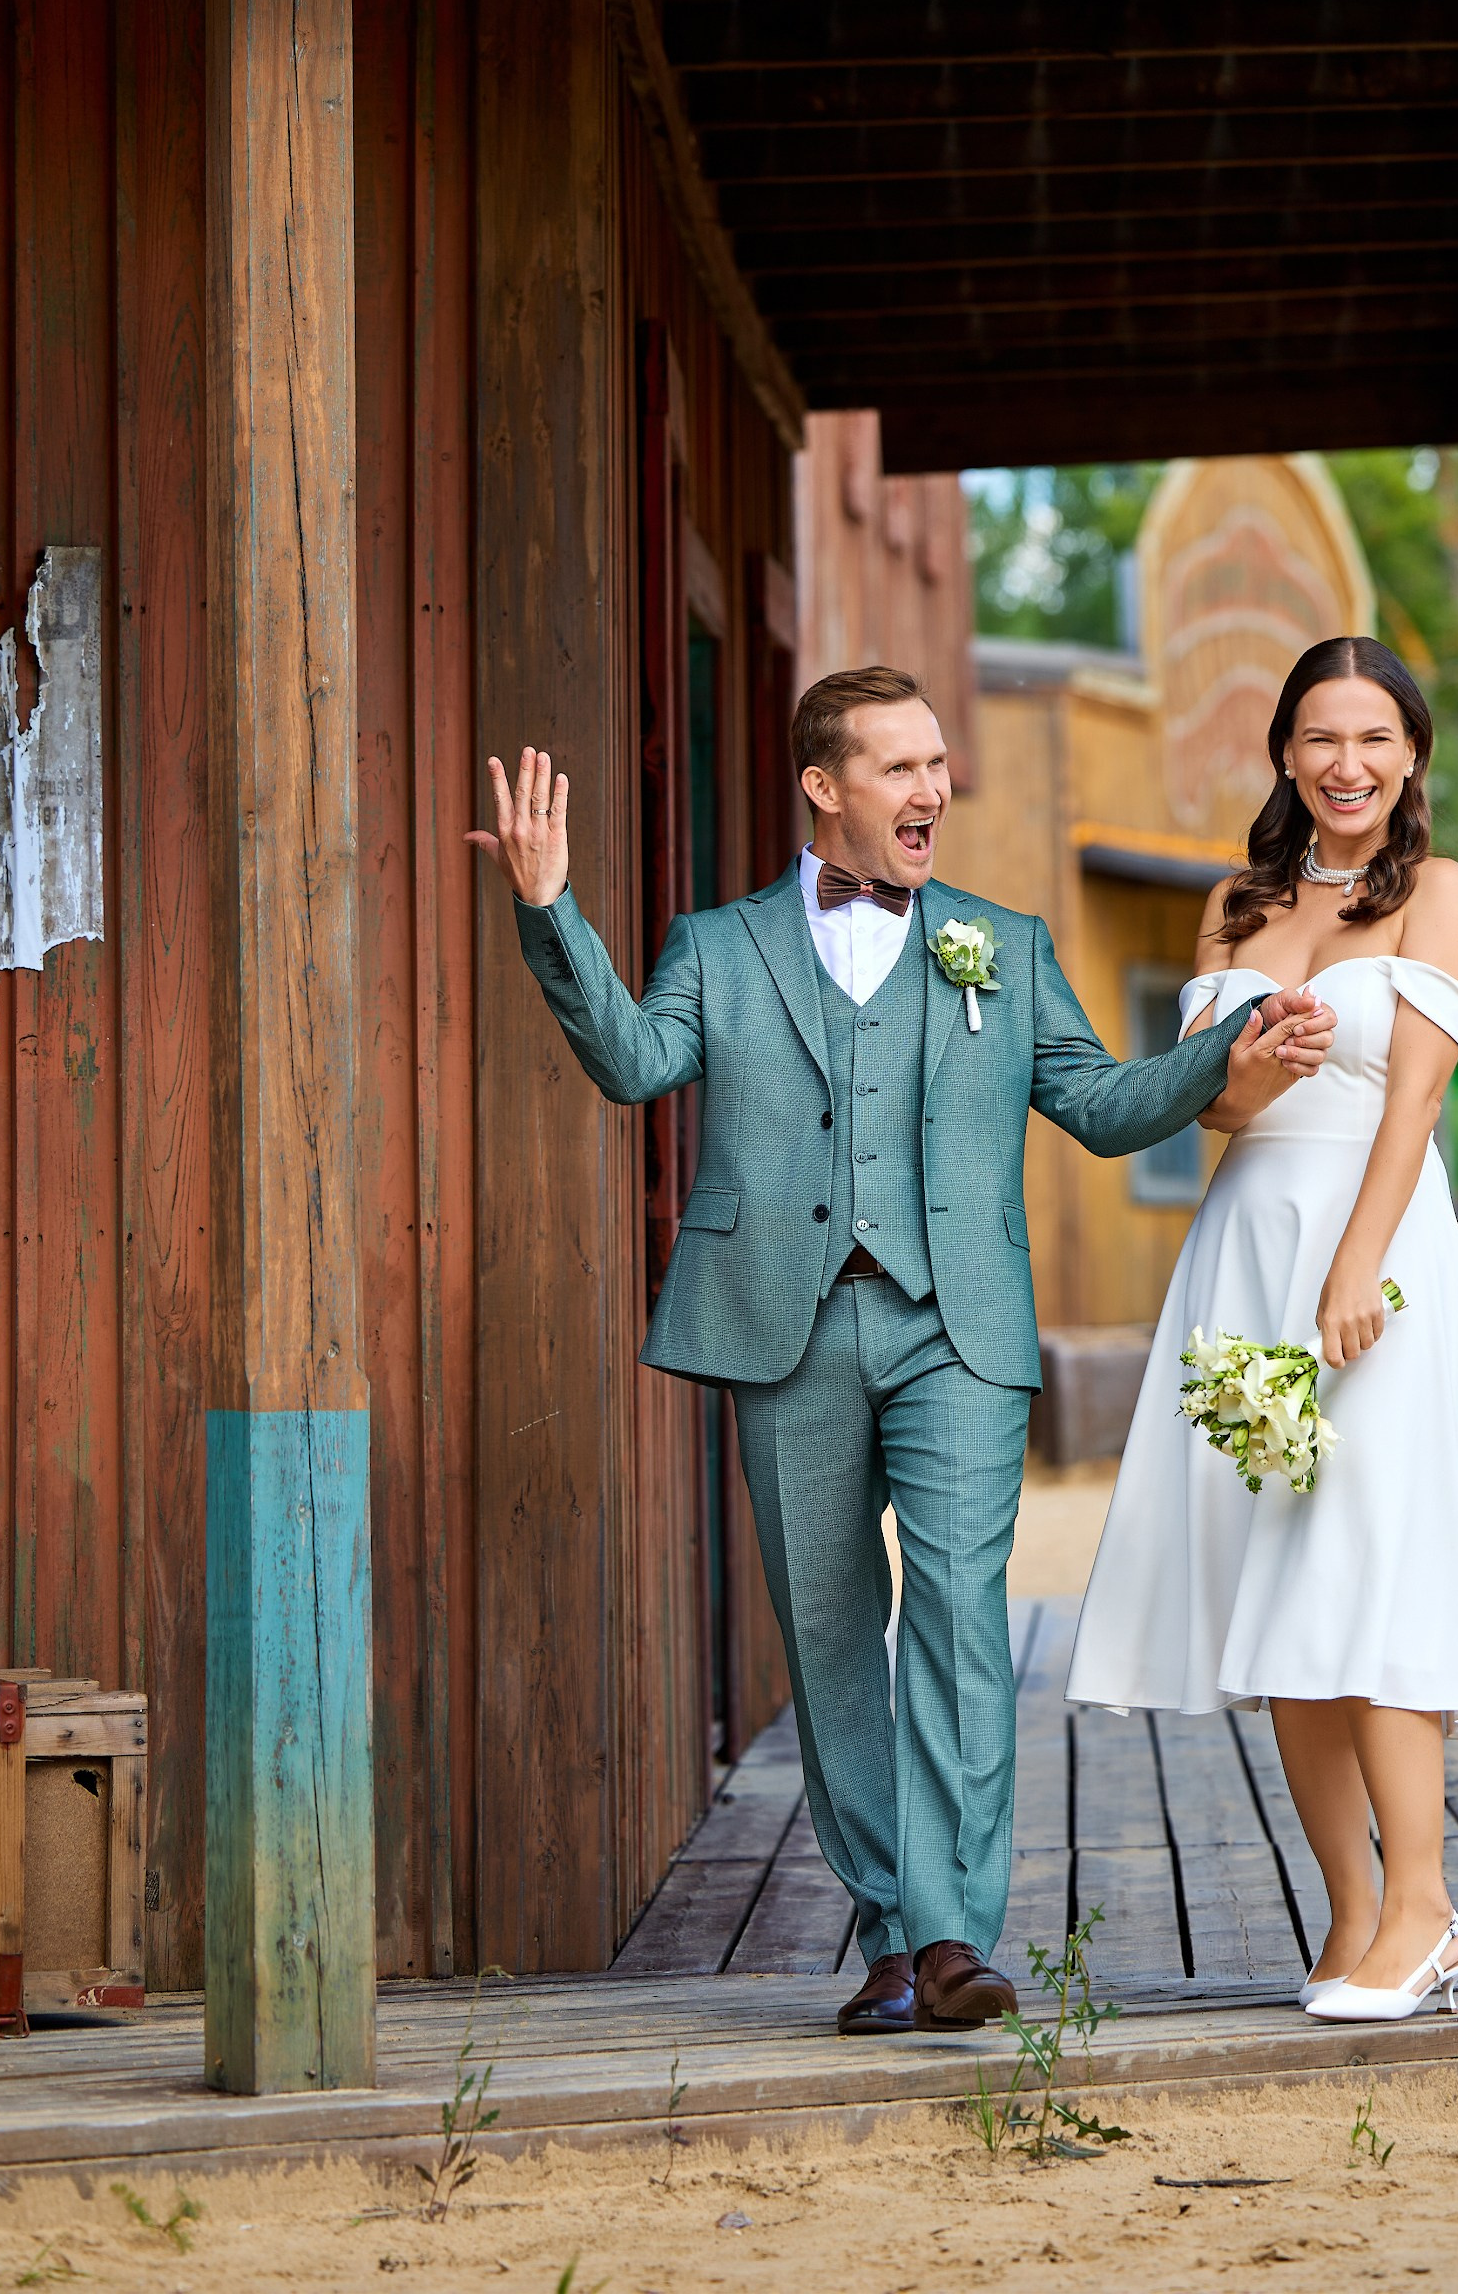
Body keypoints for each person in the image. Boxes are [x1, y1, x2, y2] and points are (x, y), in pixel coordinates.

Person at [468, 663, 1333, 2036]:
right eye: (901, 767)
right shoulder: (720, 945)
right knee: (828, 1636)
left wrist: (1227, 1056)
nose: (934, 789)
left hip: (957, 1330)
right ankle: (883, 1926)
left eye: (940, 764)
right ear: (825, 787)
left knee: (957, 1615)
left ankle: (948, 1938)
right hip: (784, 1327)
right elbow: (634, 1064)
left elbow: (1105, 1108)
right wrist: (547, 908)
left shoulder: (1004, 942)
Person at [1068, 633, 1458, 2022]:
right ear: (1285, 753)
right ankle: (1350, 1916)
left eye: (1377, 739)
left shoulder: (1438, 896)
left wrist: (1357, 1266)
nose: (1350, 765)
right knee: (1281, 1592)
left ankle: (1428, 1905)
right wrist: (1249, 1068)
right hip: (1246, 1245)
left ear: (1411, 758)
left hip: (1374, 1257)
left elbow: (1417, 1102)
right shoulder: (1237, 904)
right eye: (1324, 739)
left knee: (1368, 1570)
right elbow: (1214, 1111)